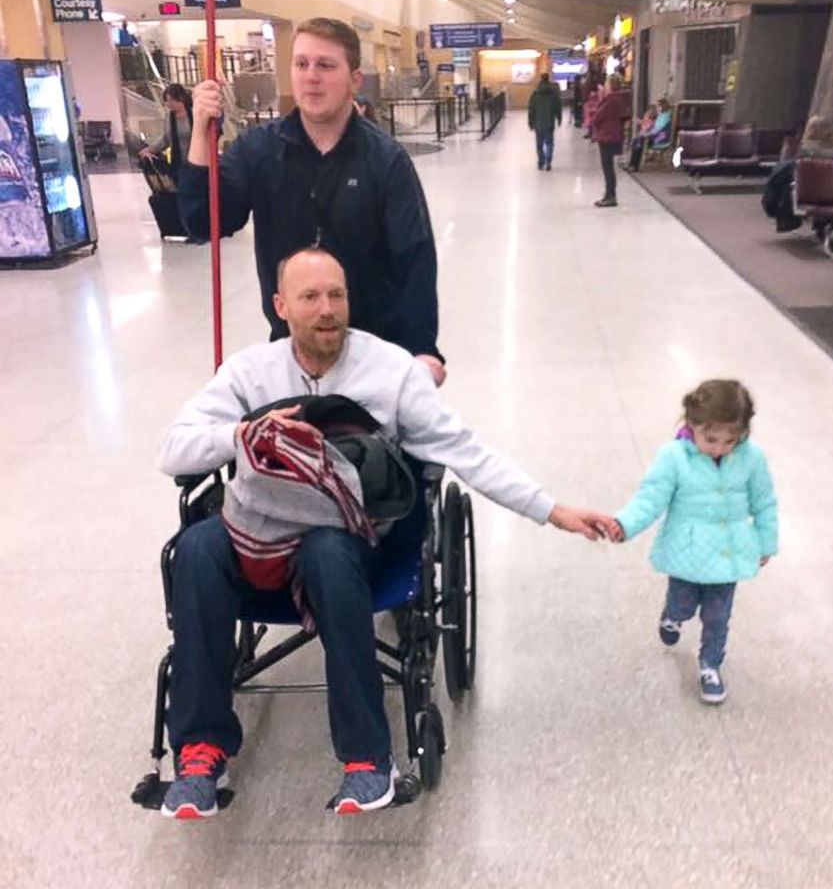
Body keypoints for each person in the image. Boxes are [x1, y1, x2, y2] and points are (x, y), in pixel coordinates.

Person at [157, 248, 612, 820]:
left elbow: (466, 452)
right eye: (310, 297)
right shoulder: (250, 372)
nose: (328, 310)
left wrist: (552, 510)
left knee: (326, 552)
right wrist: (245, 433)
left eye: (337, 295)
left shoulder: (391, 371)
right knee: (196, 549)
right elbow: (172, 448)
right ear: (280, 307)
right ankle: (201, 751)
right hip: (264, 533)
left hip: (351, 538)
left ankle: (369, 759)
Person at [179, 17, 446, 386]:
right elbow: (203, 220)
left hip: (376, 357)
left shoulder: (385, 160)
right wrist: (199, 130)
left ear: (355, 80)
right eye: (301, 64)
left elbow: (414, 256)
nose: (311, 76)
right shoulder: (259, 150)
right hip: (292, 357)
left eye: (326, 65)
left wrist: (423, 349)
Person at [604, 380, 778, 705]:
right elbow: (650, 498)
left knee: (718, 616)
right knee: (684, 603)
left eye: (731, 440)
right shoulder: (673, 457)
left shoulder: (751, 459)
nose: (720, 448)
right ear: (691, 425)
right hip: (687, 551)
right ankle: (672, 614)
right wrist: (625, 524)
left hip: (729, 553)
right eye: (710, 439)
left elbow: (764, 502)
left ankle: (710, 665)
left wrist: (765, 542)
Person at [590, 76, 632, 208]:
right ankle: (609, 194)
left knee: (607, 167)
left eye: (607, 83)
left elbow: (598, 117)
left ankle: (610, 196)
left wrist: (593, 116)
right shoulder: (620, 100)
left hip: (607, 135)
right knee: (609, 167)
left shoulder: (611, 100)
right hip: (614, 134)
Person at [138, 84, 194, 180]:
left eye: (171, 101)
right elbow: (166, 139)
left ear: (181, 98)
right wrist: (150, 150)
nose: (168, 104)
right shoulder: (169, 117)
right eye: (166, 101)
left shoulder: (194, 115)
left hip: (194, 162)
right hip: (178, 163)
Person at [527, 72, 562, 171]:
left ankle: (541, 162)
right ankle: (548, 162)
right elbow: (558, 107)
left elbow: (531, 109)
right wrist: (559, 118)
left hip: (538, 123)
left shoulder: (535, 94)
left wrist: (530, 121)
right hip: (549, 123)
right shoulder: (553, 94)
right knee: (549, 143)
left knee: (539, 144)